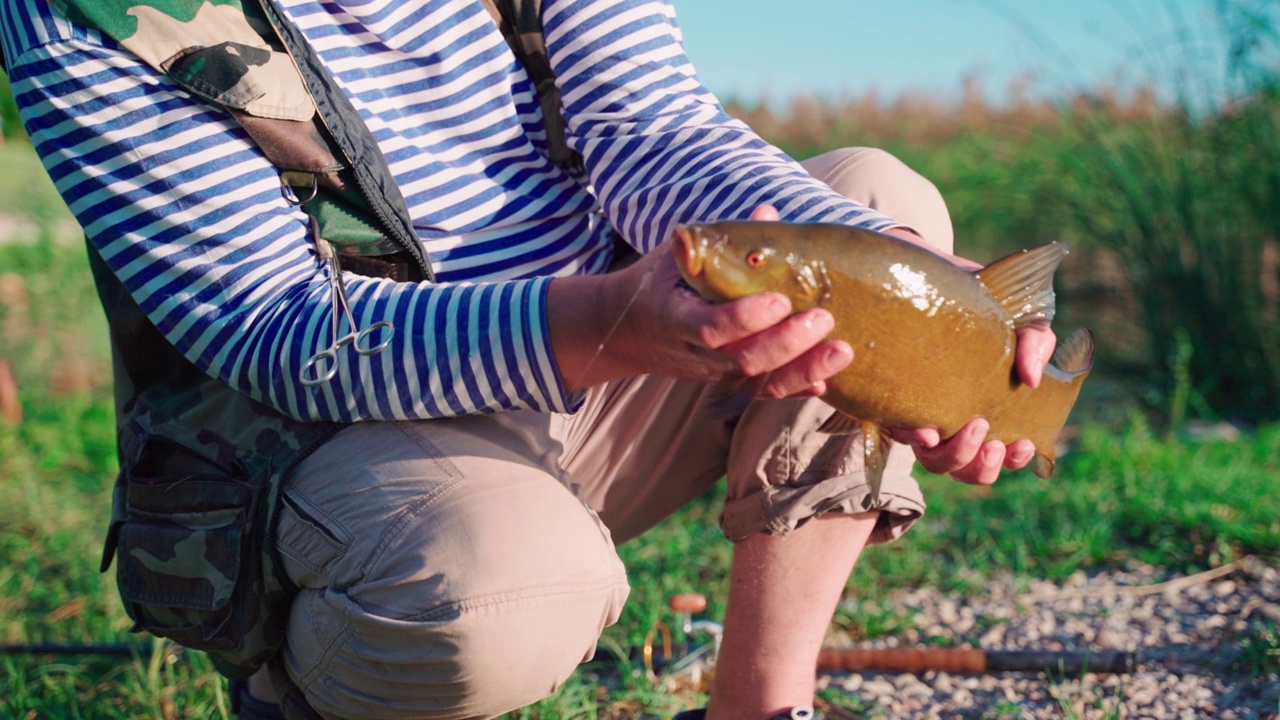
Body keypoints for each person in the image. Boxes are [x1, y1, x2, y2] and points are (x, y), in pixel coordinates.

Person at [0, 0, 1056, 718]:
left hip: (613, 365)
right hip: (349, 436)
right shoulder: (79, 11)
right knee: (500, 593)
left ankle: (759, 704)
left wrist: (907, 294)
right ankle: (310, 673)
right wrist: (610, 325)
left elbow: (649, 128)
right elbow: (285, 328)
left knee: (878, 208)